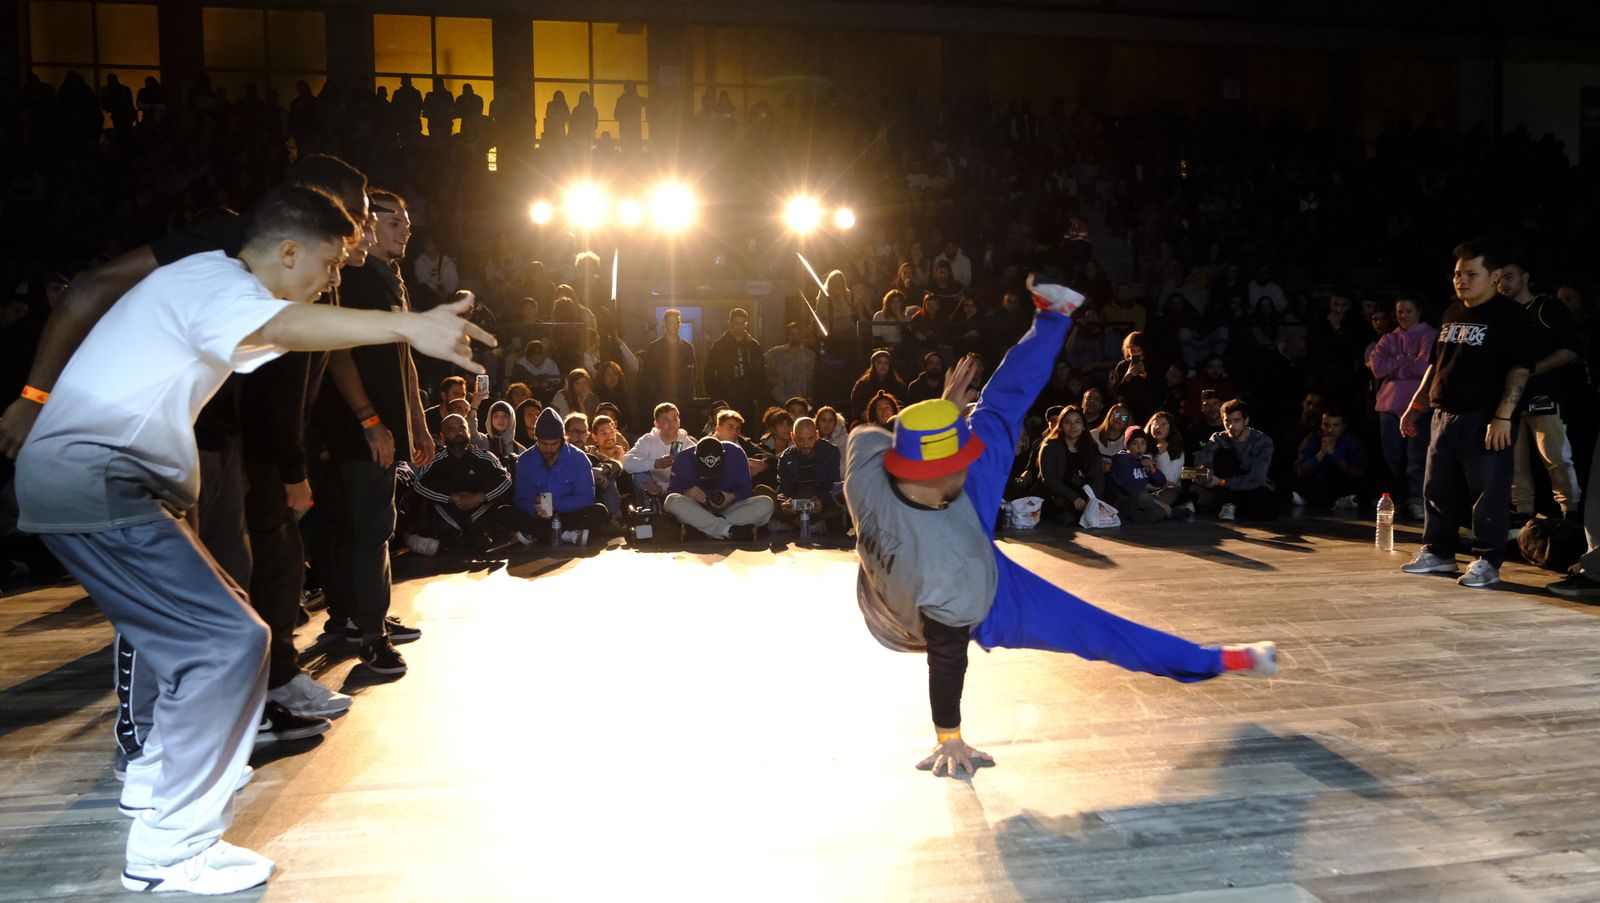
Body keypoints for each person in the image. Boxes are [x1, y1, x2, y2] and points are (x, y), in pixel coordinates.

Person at [13, 185, 490, 894]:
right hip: (99, 477)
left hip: (91, 480)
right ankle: (169, 848)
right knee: (228, 643)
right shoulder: (220, 285)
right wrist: (408, 326)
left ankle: (154, 782)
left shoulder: (208, 286)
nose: (331, 281)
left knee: (215, 633)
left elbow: (286, 330)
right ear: (288, 250)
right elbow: (293, 323)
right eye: (329, 265)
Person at [844, 276, 1275, 778]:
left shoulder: (867, 463)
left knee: (995, 412)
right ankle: (1218, 661)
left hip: (941, 512)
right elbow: (945, 660)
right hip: (972, 595)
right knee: (1099, 632)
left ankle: (1053, 314)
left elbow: (881, 435)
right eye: (957, 458)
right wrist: (949, 738)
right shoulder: (953, 579)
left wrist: (944, 413)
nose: (968, 460)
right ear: (936, 473)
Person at [1399, 240, 1536, 588]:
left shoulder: (1510, 316)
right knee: (1437, 488)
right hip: (1443, 414)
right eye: (1458, 274)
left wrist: (1503, 416)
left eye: (1471, 274)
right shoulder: (1451, 312)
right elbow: (1436, 365)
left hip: (1484, 416)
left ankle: (1488, 560)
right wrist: (1416, 405)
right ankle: (1438, 552)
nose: (1461, 280)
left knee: (1488, 492)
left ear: (1495, 277)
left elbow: (1520, 369)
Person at [1497, 257, 1583, 521]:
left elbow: (1570, 350)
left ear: (1525, 278)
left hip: (1545, 394)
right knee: (1513, 461)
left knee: (1556, 457)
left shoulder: (1548, 307)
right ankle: (1522, 514)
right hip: (1510, 401)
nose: (1502, 283)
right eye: (1499, 278)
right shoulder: (1501, 313)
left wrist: (1530, 370)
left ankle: (1570, 514)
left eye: (1509, 276)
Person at [1367, 296, 1435, 520]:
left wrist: (1394, 366)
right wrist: (1405, 360)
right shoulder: (1389, 337)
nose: (1403, 316)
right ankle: (1399, 497)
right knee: (1393, 457)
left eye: (1408, 311)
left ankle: (1416, 499)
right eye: (1399, 312)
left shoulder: (1428, 334)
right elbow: (1377, 367)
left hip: (1417, 406)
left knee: (1416, 457)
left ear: (1418, 312)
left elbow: (1423, 366)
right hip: (1389, 405)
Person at [407, 413, 514, 554]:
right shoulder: (434, 460)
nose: (458, 432)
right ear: (442, 436)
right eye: (451, 429)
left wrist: (478, 498)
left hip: (479, 511)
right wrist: (453, 497)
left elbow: (505, 479)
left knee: (490, 517)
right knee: (437, 511)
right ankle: (443, 540)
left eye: (462, 428)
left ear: (469, 432)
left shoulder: (485, 457)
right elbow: (420, 484)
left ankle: (473, 537)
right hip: (448, 513)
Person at [511, 408, 610, 545]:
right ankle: (565, 535)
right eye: (543, 444)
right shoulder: (525, 460)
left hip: (568, 513)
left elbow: (586, 497)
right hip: (538, 516)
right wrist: (535, 510)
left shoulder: (578, 458)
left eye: (554, 444)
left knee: (599, 511)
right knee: (505, 512)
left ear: (563, 440)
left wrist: (555, 505)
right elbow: (521, 498)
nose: (549, 449)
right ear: (536, 439)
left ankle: (538, 534)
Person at [663, 436, 775, 539]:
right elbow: (672, 492)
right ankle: (729, 531)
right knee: (671, 500)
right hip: (696, 510)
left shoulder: (736, 453)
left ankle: (703, 531)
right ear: (695, 458)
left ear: (724, 457)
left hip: (725, 511)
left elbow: (747, 491)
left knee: (766, 503)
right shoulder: (682, 459)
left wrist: (731, 497)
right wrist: (686, 493)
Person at [1194, 399, 1279, 522]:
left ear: (1246, 420)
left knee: (1266, 509)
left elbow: (1257, 477)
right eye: (1227, 421)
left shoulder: (1261, 441)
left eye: (1236, 420)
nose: (1231, 426)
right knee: (1224, 454)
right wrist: (1205, 474)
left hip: (1250, 485)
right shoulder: (1218, 438)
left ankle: (1229, 505)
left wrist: (1222, 482)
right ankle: (1227, 503)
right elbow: (1204, 462)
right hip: (1225, 489)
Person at [773, 416, 843, 532]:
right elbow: (783, 489)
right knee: (767, 497)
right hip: (797, 501)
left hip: (822, 501)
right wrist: (784, 504)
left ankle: (799, 523)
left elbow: (833, 484)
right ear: (793, 437)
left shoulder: (830, 451)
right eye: (801, 439)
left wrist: (821, 501)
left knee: (843, 493)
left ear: (816, 435)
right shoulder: (786, 457)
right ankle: (800, 522)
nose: (806, 444)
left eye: (810, 439)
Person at [1291, 408, 1367, 510]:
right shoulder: (1312, 439)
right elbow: (1300, 470)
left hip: (1343, 484)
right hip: (1317, 482)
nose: (1330, 430)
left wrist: (1334, 455)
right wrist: (1321, 454)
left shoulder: (1352, 442)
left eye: (1335, 425)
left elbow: (1359, 472)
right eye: (1326, 425)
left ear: (1344, 426)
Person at [705, 308, 767, 430]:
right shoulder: (719, 346)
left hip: (748, 400)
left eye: (742, 323)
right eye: (736, 323)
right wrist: (716, 397)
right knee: (726, 431)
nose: (739, 326)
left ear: (746, 324)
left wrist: (758, 396)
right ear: (730, 323)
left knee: (747, 432)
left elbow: (762, 372)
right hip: (726, 399)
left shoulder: (753, 346)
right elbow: (709, 373)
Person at [622, 402, 695, 503]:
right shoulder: (648, 440)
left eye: (675, 418)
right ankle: (651, 509)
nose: (672, 423)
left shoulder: (687, 444)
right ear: (656, 424)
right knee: (639, 474)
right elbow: (626, 462)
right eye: (666, 420)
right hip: (652, 488)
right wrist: (656, 463)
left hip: (678, 491)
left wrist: (663, 488)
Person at [639, 309, 697, 425]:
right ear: (665, 324)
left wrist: (689, 398)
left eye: (677, 322)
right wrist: (657, 398)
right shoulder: (654, 348)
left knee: (682, 433)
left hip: (683, 404)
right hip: (661, 403)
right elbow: (647, 378)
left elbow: (693, 375)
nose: (675, 326)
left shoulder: (687, 348)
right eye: (671, 322)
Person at [1106, 425, 1172, 523]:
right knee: (1143, 496)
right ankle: (1168, 512)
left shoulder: (1145, 460)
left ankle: (1158, 512)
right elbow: (1133, 489)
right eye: (1134, 443)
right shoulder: (1122, 461)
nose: (1139, 447)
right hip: (1124, 502)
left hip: (1143, 501)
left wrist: (1152, 470)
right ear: (1127, 446)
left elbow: (1161, 482)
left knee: (1171, 492)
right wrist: (1158, 503)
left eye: (1143, 443)